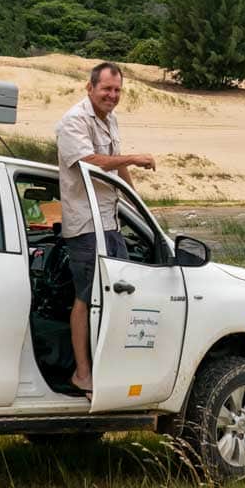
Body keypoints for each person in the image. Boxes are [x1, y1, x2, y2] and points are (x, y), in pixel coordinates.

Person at [55, 62, 156, 393]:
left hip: (109, 221)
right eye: (106, 89)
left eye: (117, 90)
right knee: (86, 298)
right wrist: (131, 159)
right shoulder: (73, 121)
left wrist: (139, 206)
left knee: (119, 296)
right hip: (85, 225)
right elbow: (89, 161)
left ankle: (110, 369)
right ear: (90, 88)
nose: (112, 96)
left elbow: (115, 164)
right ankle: (82, 373)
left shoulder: (109, 119)